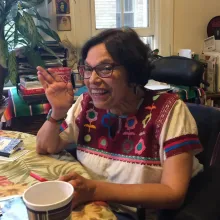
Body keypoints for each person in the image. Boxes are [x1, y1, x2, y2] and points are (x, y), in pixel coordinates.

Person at [36, 28, 203, 220]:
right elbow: (45, 146)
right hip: (93, 209)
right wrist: (57, 112)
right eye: (88, 69)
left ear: (133, 71)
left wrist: (95, 190)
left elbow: (173, 193)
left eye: (105, 68)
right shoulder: (85, 104)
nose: (92, 80)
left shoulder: (170, 110)